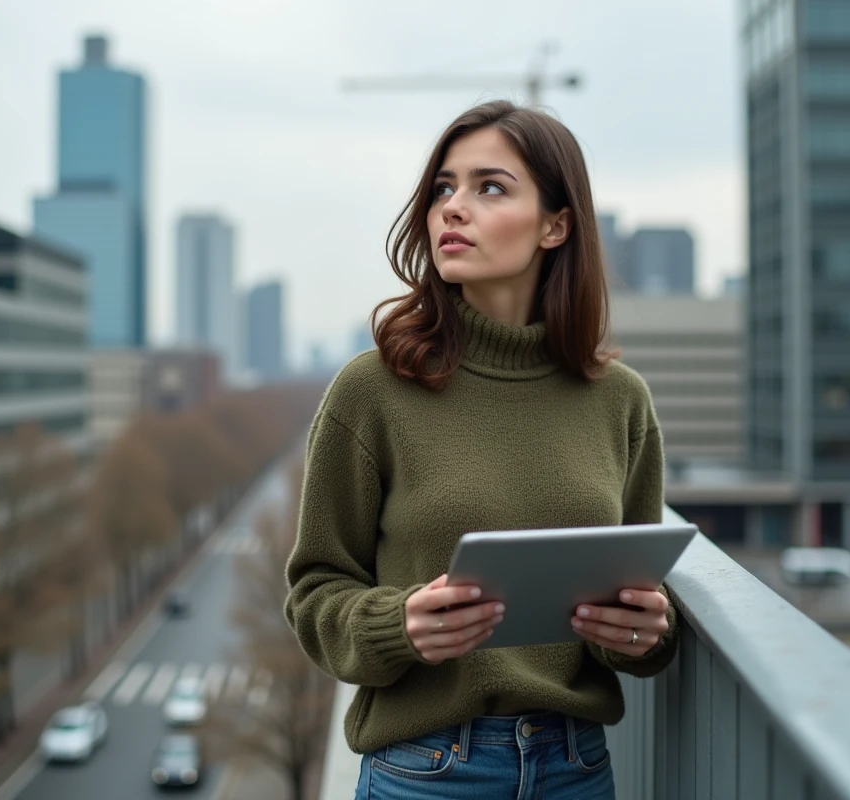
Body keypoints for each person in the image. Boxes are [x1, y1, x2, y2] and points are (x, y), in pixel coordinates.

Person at [284, 100, 679, 800]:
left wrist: (645, 632)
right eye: (443, 188)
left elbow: (635, 607)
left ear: (556, 225)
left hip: (578, 769)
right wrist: (394, 626)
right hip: (426, 771)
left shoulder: (620, 401)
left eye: (488, 187)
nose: (451, 209)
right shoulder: (370, 390)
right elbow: (316, 594)